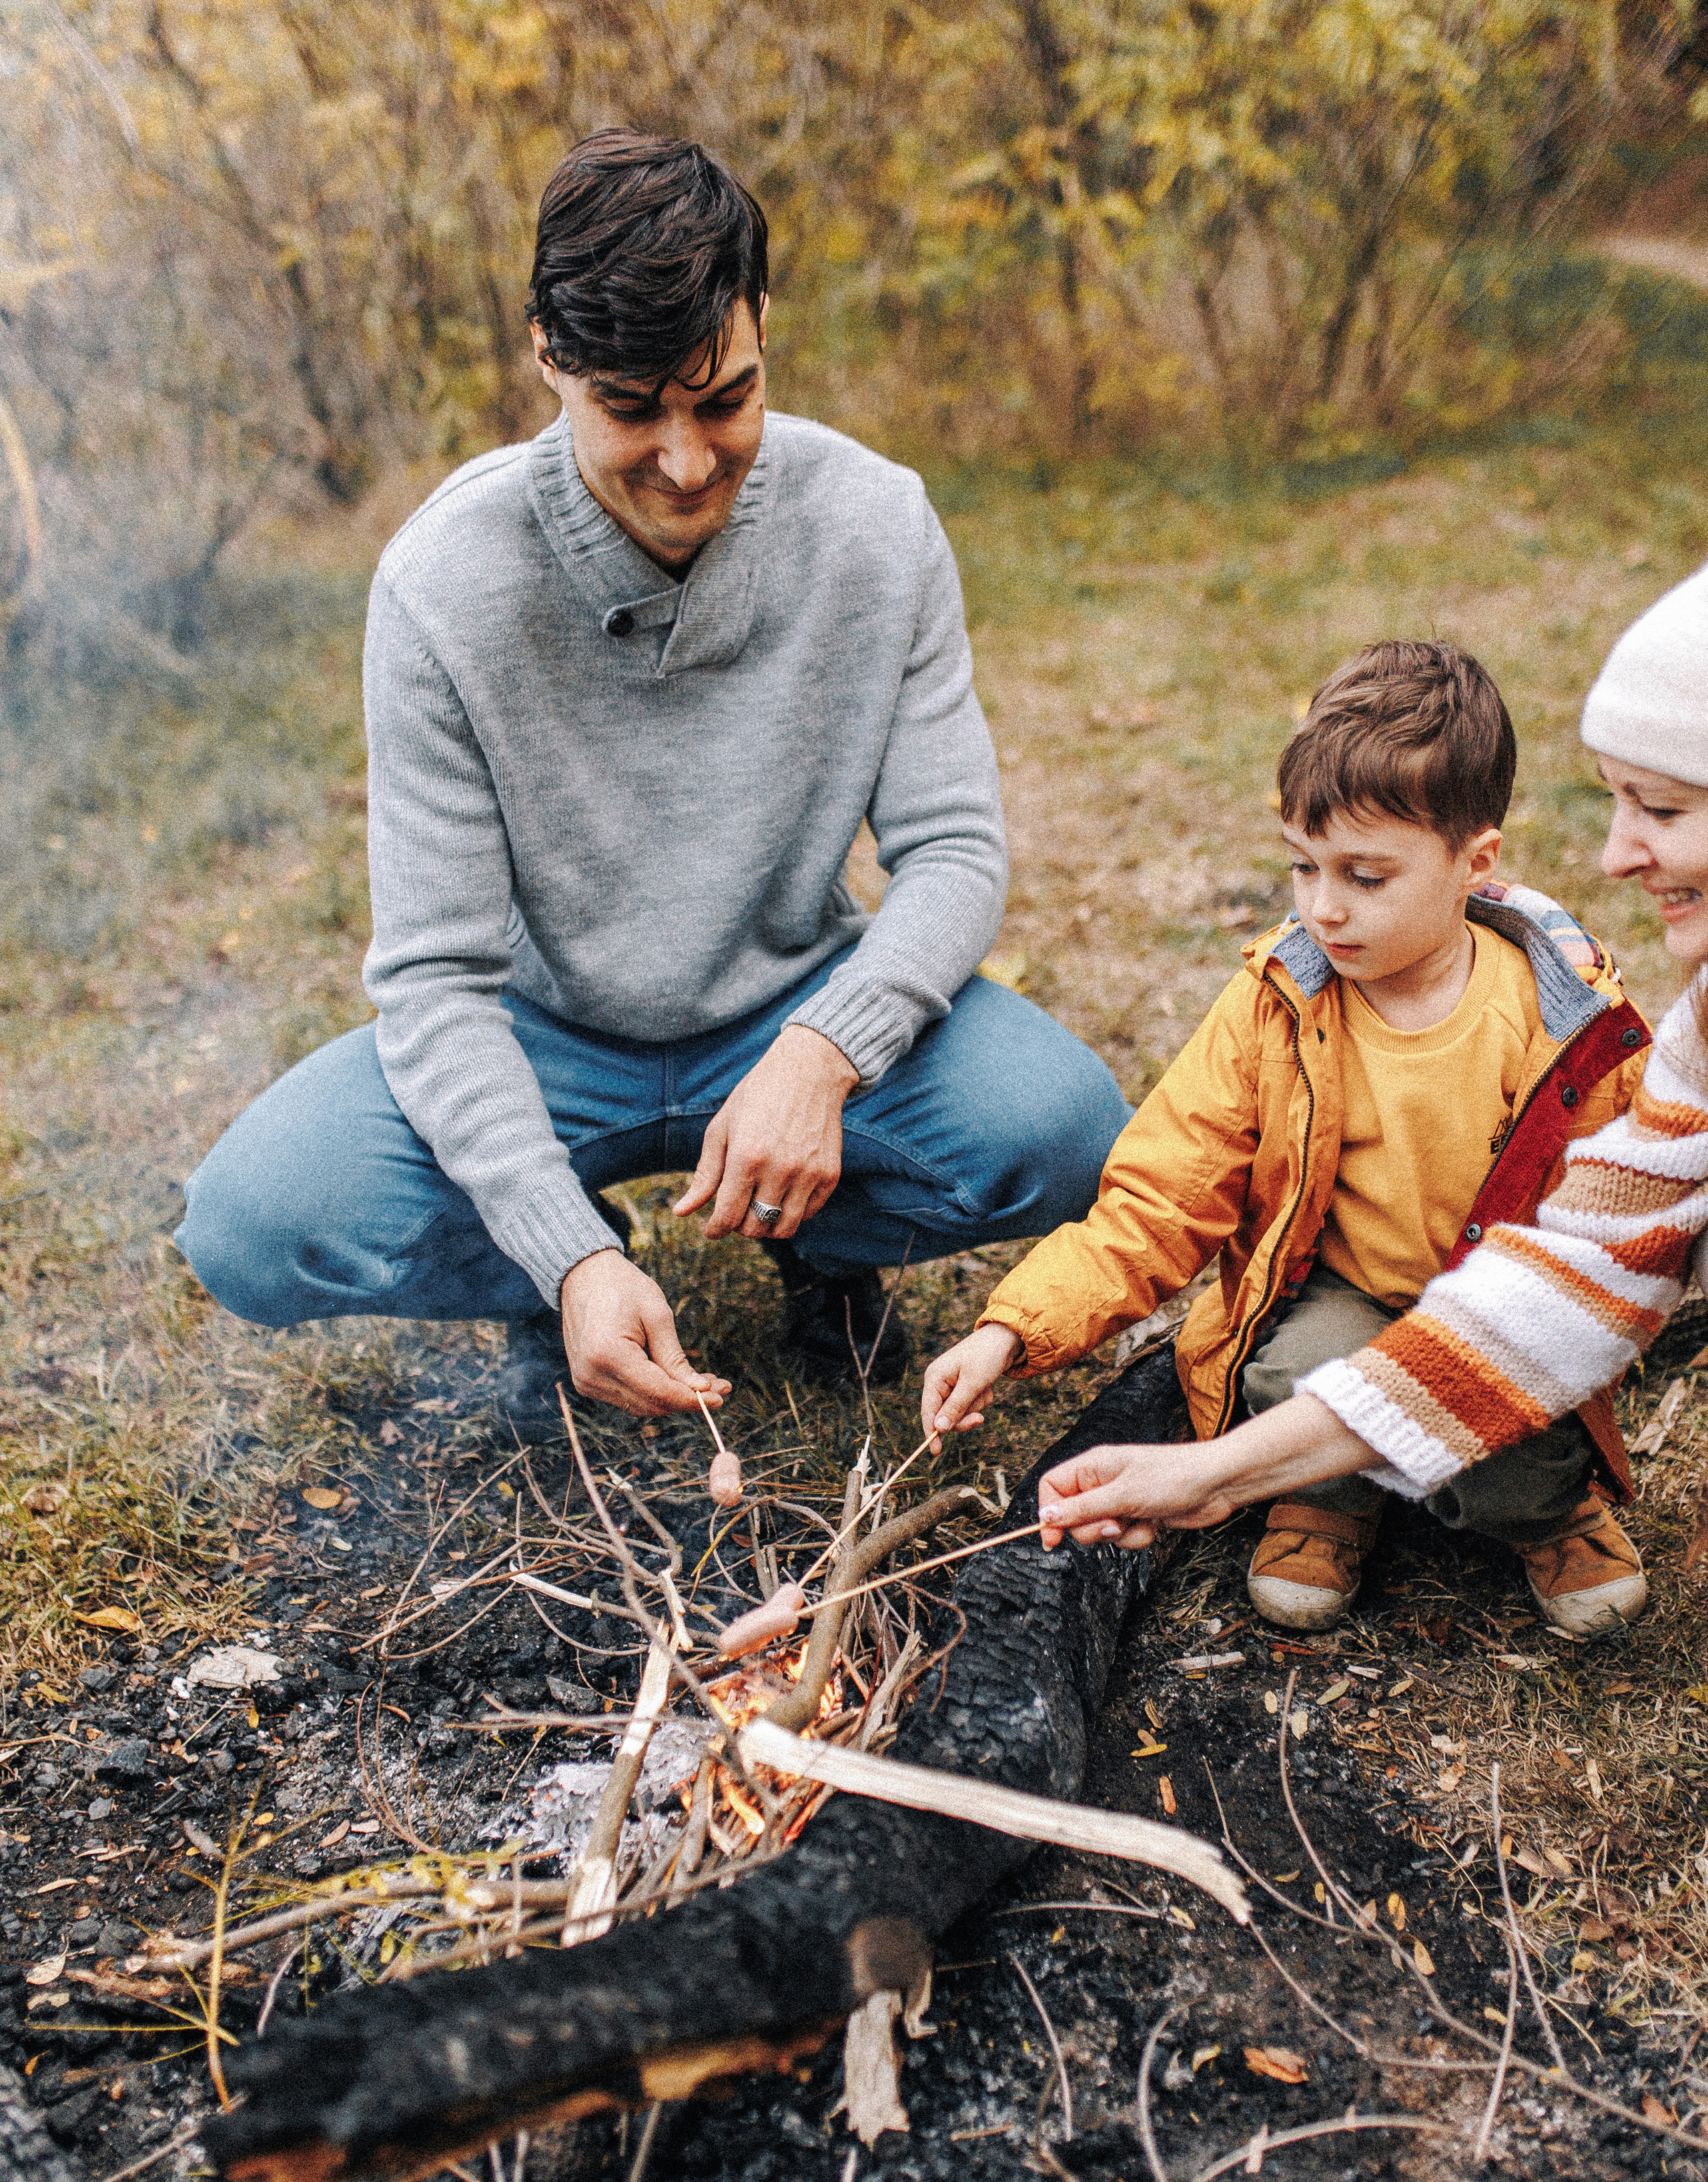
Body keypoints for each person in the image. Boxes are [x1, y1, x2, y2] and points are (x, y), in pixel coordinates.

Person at [175, 131, 1128, 1426]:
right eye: (631, 409)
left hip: (791, 997)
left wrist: (823, 1056)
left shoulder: (877, 523)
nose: (686, 463)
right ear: (546, 359)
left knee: (1062, 1126)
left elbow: (953, 852)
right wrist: (562, 1247)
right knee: (252, 1224)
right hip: (544, 1038)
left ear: (762, 333)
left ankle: (824, 1247)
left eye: (723, 399)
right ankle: (558, 1272)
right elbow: (435, 981)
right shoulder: (440, 583)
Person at [923, 639, 1659, 1639]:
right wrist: (1015, 1328)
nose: (1322, 906)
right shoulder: (1280, 1000)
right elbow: (1163, 1193)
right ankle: (1326, 1494)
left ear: (1474, 863)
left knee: (1518, 1450)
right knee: (1285, 1373)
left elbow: (1622, 1242)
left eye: (1365, 875)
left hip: (1500, 1317)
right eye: (1303, 867)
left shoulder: (1561, 1024)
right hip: (1343, 1295)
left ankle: (1547, 1514)